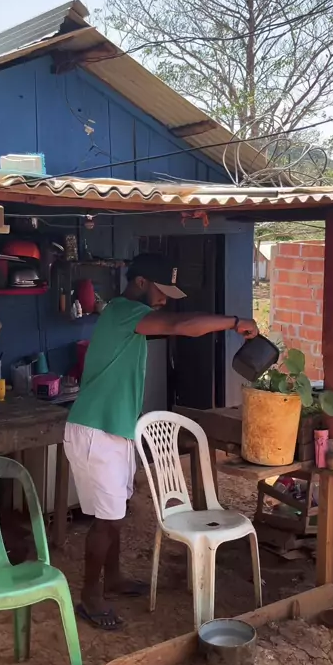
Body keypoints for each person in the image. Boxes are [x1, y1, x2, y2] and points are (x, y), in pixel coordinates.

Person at [64, 253, 258, 629]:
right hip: (95, 430)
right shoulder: (123, 311)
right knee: (107, 520)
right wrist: (234, 323)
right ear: (140, 282)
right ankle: (90, 597)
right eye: (160, 291)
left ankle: (113, 579)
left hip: (115, 429)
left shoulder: (130, 318)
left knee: (116, 513)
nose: (164, 299)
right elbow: (182, 325)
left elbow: (177, 321)